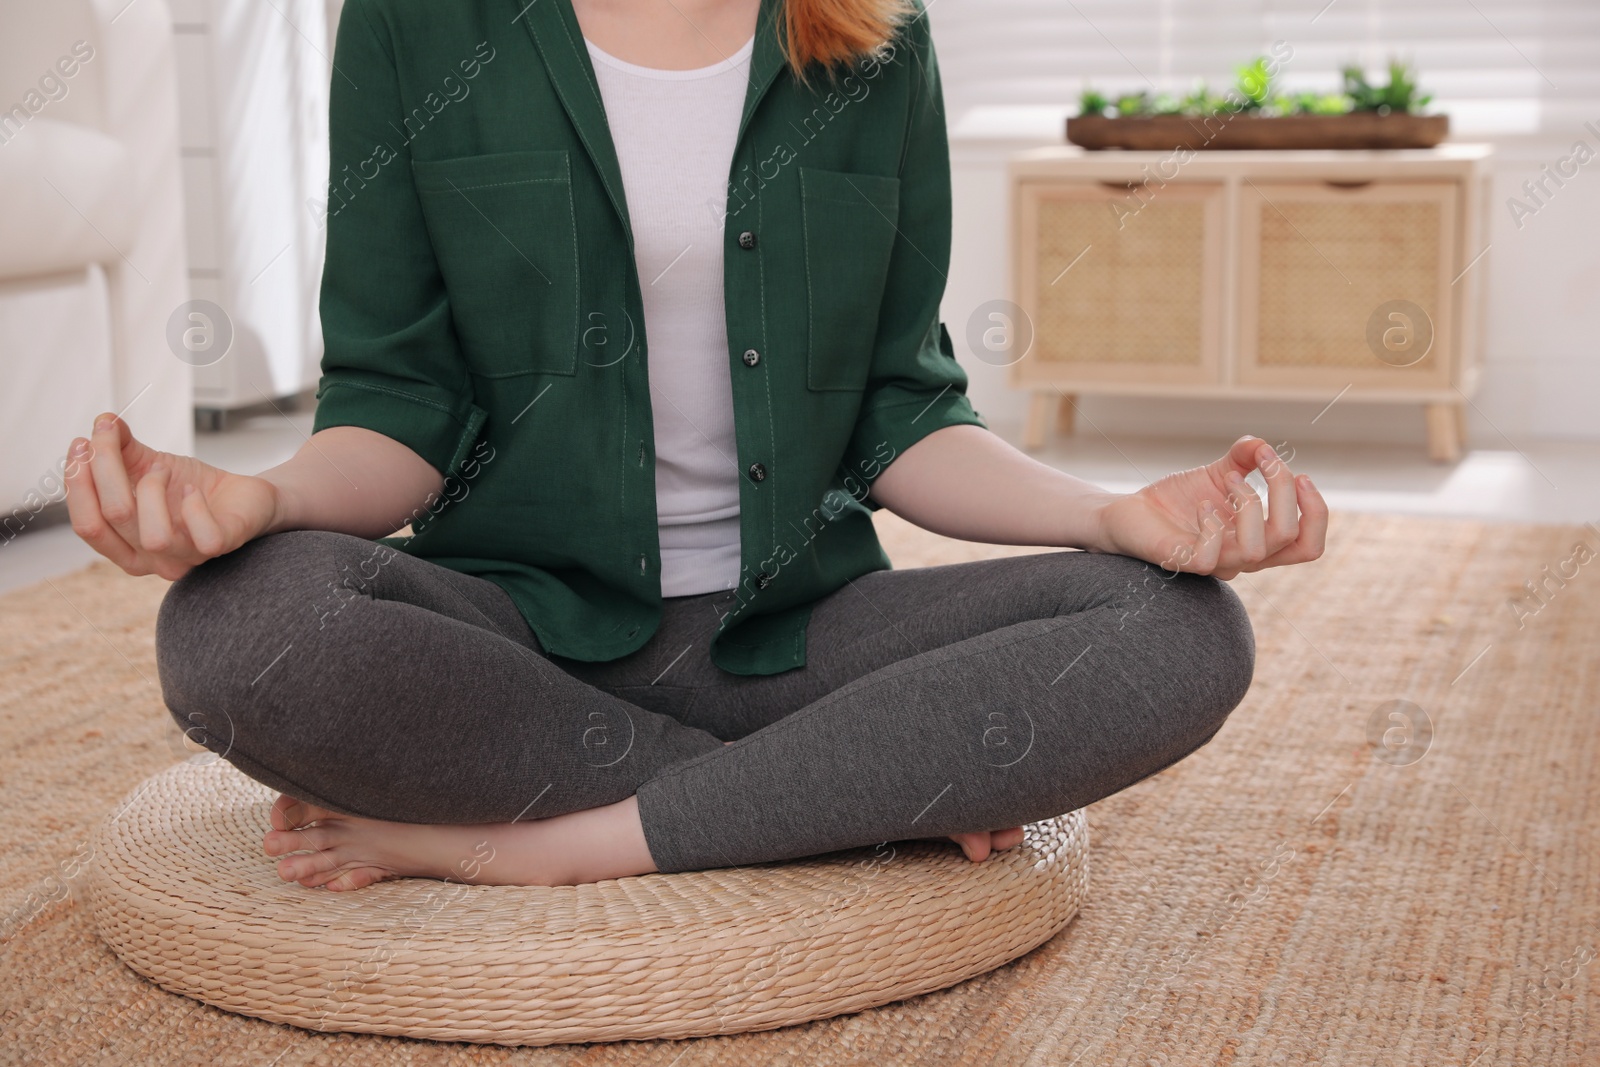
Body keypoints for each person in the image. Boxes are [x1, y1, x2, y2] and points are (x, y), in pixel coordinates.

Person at [64, 0, 1325, 892]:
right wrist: (260, 500)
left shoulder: (879, 36)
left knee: (1177, 626)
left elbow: (901, 410)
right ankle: (841, 797)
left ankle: (552, 841)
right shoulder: (411, 21)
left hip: (797, 635)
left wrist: (1113, 517)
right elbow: (399, 402)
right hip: (516, 639)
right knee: (234, 628)